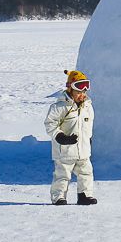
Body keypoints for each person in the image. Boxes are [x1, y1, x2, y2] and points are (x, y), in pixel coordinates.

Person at [45, 69, 97, 206]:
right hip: (65, 151)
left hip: (83, 150)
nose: (82, 95)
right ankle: (59, 197)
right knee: (62, 175)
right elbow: (50, 124)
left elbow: (88, 126)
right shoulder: (59, 107)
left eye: (84, 92)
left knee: (86, 173)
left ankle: (85, 195)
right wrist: (60, 136)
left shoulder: (88, 107)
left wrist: (88, 140)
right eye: (79, 91)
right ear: (70, 90)